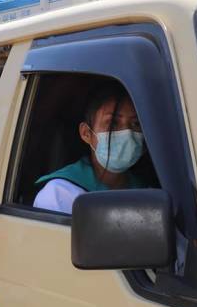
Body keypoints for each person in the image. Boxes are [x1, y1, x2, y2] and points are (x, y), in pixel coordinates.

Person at [32, 85, 148, 214]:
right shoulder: (60, 194)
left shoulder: (148, 192)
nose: (127, 133)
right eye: (113, 123)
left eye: (136, 124)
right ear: (86, 133)